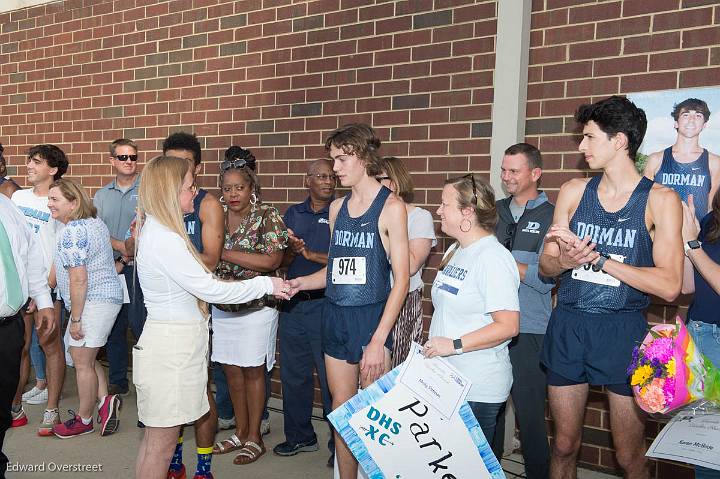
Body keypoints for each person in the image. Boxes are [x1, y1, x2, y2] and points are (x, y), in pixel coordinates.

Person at [539, 96, 683, 479]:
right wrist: (565, 262)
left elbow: (670, 286)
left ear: (619, 140)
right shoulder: (572, 191)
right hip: (569, 323)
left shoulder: (660, 199)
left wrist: (601, 260)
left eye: (588, 137)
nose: (581, 147)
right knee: (564, 444)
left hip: (624, 331)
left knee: (629, 455)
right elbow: (545, 265)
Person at [132, 155, 290, 479]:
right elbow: (213, 290)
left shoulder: (160, 232)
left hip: (172, 344)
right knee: (160, 446)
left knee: (155, 442)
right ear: (171, 191)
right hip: (172, 349)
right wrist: (265, 283)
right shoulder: (165, 239)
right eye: (190, 187)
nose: (196, 194)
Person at [288, 123, 410, 479]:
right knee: (341, 410)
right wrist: (300, 284)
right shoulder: (337, 208)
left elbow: (401, 281)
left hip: (372, 319)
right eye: (334, 159)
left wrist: (377, 341)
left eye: (342, 159)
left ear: (363, 158)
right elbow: (336, 272)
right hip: (335, 316)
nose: (335, 168)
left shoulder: (392, 208)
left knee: (372, 413)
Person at [423, 174, 520, 449]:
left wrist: (453, 345)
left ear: (468, 212)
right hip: (446, 380)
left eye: (444, 204)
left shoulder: (493, 258)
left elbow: (508, 326)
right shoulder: (455, 249)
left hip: (477, 387)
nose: (438, 210)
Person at [210, 147, 288, 466]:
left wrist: (222, 253)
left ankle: (255, 436)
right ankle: (240, 432)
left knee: (254, 370)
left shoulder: (267, 214)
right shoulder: (215, 214)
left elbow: (272, 260)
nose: (232, 194)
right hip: (224, 304)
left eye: (239, 187)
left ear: (251, 188)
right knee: (231, 369)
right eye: (226, 188)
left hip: (258, 306)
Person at [161, 132, 225, 479]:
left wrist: (169, 254)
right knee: (169, 390)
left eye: (184, 163)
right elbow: (131, 246)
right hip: (161, 307)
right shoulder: (156, 202)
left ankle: (204, 466)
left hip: (195, 307)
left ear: (196, 168)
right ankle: (174, 460)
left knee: (198, 389)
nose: (177, 169)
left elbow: (211, 261)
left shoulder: (206, 204)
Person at [492, 143, 554, 477]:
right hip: (489, 324)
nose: (506, 177)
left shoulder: (553, 216)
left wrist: (501, 260)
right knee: (491, 411)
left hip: (531, 327)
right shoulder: (494, 210)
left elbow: (545, 278)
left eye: (514, 171)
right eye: (503, 170)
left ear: (535, 173)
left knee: (530, 416)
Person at [45, 179, 124, 438]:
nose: (50, 204)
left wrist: (76, 319)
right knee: (85, 358)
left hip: (92, 302)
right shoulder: (93, 223)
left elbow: (79, 278)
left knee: (81, 361)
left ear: (74, 202)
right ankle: (104, 402)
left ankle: (84, 419)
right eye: (50, 198)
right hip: (101, 299)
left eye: (55, 199)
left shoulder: (74, 231)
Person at [272, 159, 335, 465]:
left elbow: (344, 260)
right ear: (307, 180)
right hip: (294, 304)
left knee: (332, 378)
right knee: (294, 375)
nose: (328, 181)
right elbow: (281, 260)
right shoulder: (293, 213)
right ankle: (299, 437)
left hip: (326, 303)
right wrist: (289, 247)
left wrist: (308, 252)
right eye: (321, 176)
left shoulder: (341, 212)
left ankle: (340, 448)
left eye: (332, 176)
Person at [10, 144, 68, 436]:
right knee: (18, 347)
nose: (29, 166)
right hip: (19, 287)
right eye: (29, 161)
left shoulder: (61, 199)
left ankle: (52, 409)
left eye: (36, 162)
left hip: (47, 288)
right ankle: (15, 407)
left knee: (50, 345)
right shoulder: (17, 197)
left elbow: (61, 250)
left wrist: (44, 289)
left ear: (53, 169)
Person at [0, 193, 54, 476]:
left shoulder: (8, 206)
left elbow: (30, 256)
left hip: (9, 326)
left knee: (2, 409)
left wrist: (43, 299)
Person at [376, 156, 436, 368]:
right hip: (371, 298)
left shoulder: (420, 217)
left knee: (397, 369)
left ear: (393, 182)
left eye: (377, 179)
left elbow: (410, 266)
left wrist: (390, 227)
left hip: (402, 301)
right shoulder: (369, 215)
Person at [94, 138, 142, 397]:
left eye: (133, 157)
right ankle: (117, 380)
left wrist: (126, 257)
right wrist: (122, 248)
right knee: (113, 325)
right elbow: (98, 231)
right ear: (112, 160)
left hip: (137, 268)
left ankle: (147, 381)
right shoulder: (101, 195)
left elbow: (146, 228)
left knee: (139, 324)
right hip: (110, 268)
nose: (129, 162)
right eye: (123, 157)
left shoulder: (146, 190)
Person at [681, 193, 720, 479]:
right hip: (702, 335)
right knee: (704, 442)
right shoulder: (711, 221)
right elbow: (686, 287)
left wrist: (693, 247)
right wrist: (687, 238)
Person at [644, 98, 720, 220]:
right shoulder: (656, 159)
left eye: (698, 116)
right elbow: (644, 202)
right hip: (660, 235)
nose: (691, 119)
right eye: (686, 115)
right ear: (676, 123)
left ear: (704, 125)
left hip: (698, 235)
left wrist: (701, 236)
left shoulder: (714, 162)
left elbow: (712, 208)